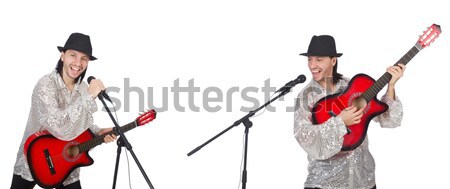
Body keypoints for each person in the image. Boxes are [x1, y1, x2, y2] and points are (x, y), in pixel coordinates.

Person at [293, 35, 405, 189]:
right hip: (325, 183)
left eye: (319, 60)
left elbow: (389, 120)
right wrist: (340, 122)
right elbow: (304, 137)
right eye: (309, 59)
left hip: (364, 181)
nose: (312, 65)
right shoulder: (306, 96)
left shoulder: (351, 85)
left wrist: (391, 86)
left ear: (333, 61)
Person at [11, 33, 117, 189]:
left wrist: (98, 132)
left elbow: (80, 124)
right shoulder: (45, 85)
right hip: (35, 157)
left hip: (67, 163)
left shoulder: (82, 89)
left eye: (84, 59)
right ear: (62, 56)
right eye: (73, 55)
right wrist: (88, 96)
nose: (78, 63)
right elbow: (59, 127)